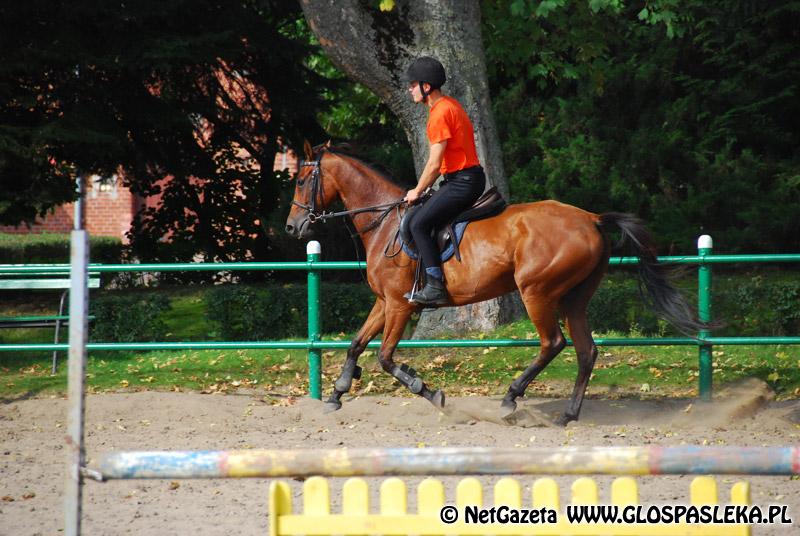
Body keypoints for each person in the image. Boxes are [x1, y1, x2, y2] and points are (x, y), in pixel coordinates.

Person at [403, 56, 486, 306]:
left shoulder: (440, 113)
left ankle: (435, 286)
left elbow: (434, 163)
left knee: (417, 223)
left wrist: (417, 190)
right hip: (461, 179)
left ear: (426, 87)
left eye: (413, 83)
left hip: (463, 181)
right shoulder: (449, 106)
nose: (410, 88)